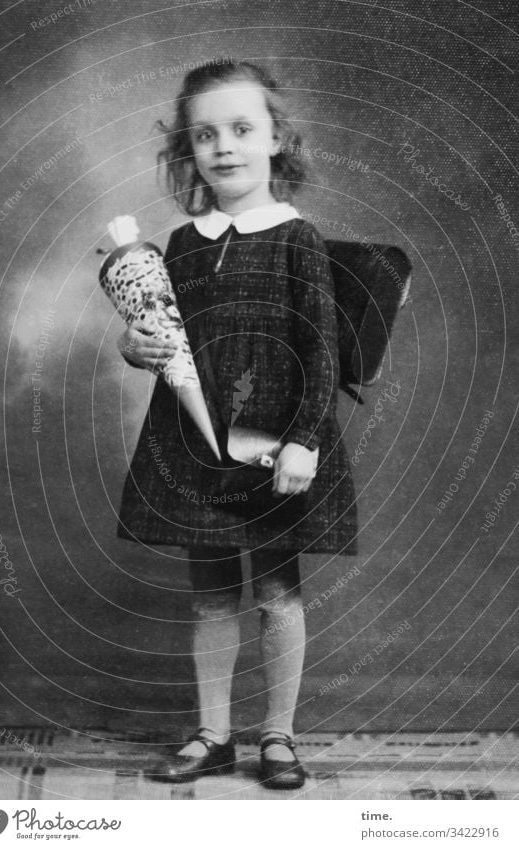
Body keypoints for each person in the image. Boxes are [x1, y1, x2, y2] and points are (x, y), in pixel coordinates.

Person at [115, 59, 358, 790]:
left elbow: (321, 348)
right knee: (213, 595)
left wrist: (305, 439)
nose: (224, 146)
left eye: (243, 129)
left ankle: (277, 737)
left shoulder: (296, 238)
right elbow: (166, 334)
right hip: (196, 448)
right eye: (205, 134)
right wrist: (135, 345)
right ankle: (213, 734)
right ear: (188, 150)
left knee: (278, 590)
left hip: (274, 448)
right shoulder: (182, 244)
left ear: (277, 139)